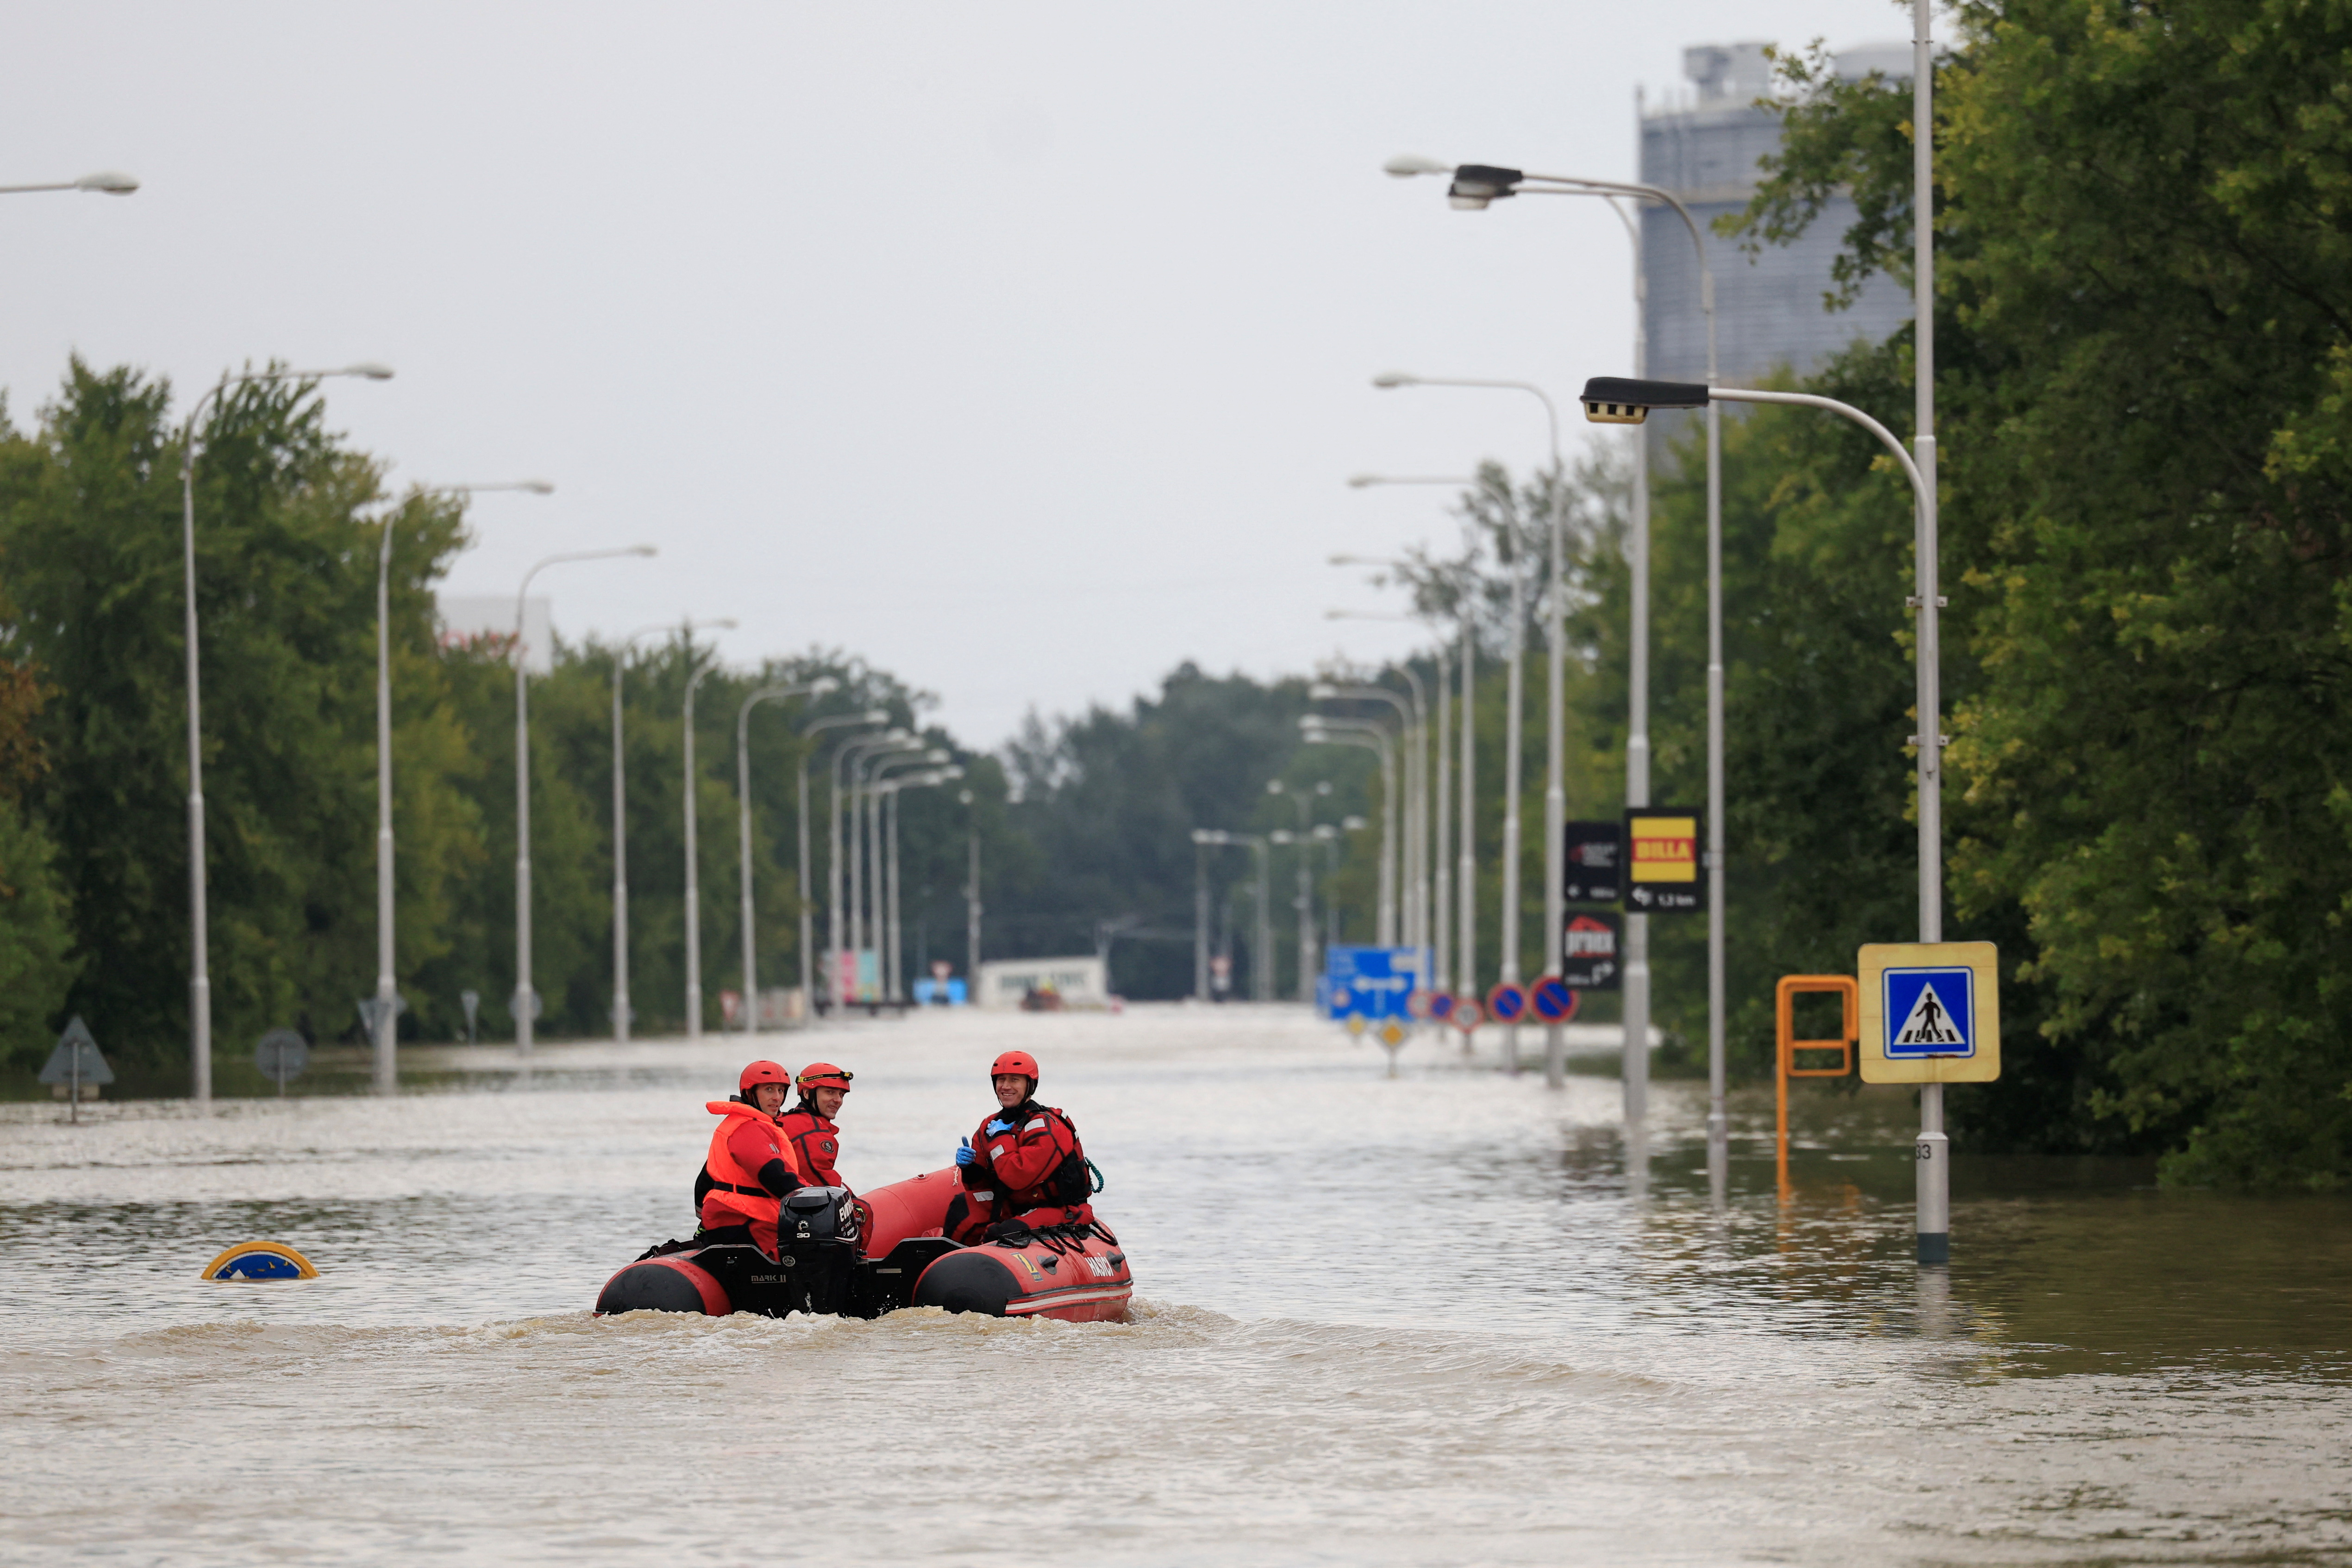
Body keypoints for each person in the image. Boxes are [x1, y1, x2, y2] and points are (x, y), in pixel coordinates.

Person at [946, 1049, 1095, 1242]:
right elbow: (980, 1186)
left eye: (1015, 1080)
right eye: (1001, 1080)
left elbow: (1017, 1178)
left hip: (1058, 1208)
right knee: (962, 1206)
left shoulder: (1046, 1126)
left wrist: (1001, 1137)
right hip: (1013, 1204)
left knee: (1002, 1234)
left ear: (1030, 1085)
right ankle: (941, 1262)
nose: (1006, 1087)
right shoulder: (989, 1126)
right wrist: (970, 1168)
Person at [695, 1060, 808, 1254]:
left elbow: (703, 1183)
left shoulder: (743, 1123)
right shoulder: (748, 1128)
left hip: (737, 1216)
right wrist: (816, 1199)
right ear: (750, 1093)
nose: (777, 1098)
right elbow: (775, 1176)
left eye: (781, 1091)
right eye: (769, 1090)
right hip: (742, 1218)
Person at [776, 1062, 852, 1188]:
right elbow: (822, 1181)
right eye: (830, 1092)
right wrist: (855, 1202)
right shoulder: (813, 1133)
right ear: (807, 1093)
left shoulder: (784, 1118)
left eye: (841, 1095)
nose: (838, 1100)